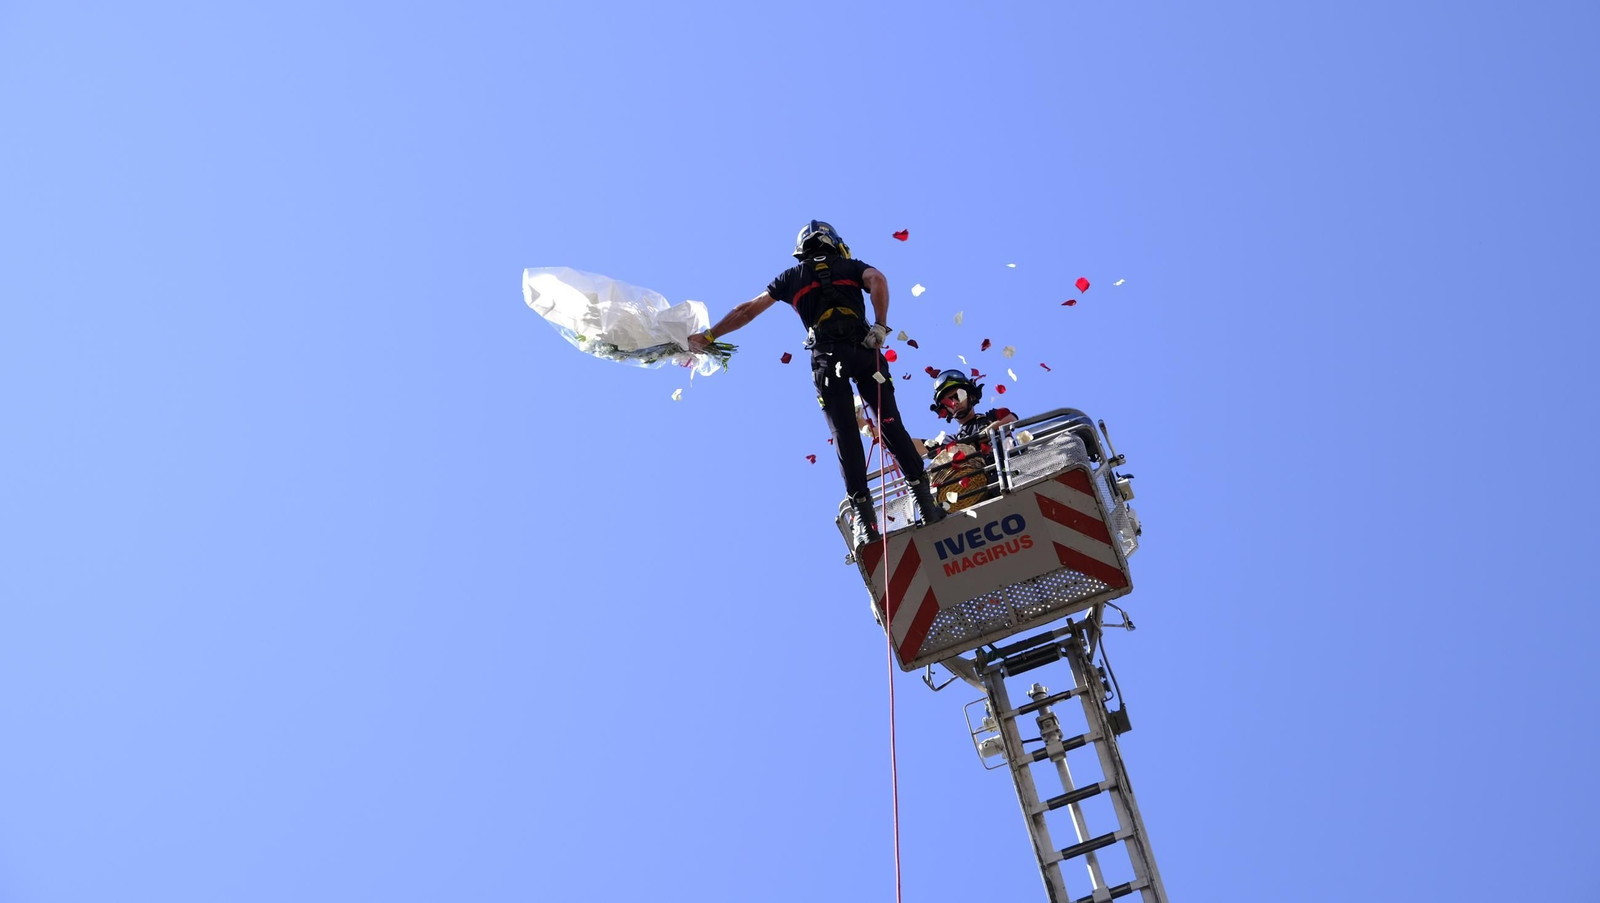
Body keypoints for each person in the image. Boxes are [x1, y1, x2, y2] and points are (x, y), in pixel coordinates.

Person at [688, 220, 946, 543]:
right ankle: (926, 502)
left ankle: (866, 524)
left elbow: (747, 311)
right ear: (834, 243)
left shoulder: (791, 277)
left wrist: (710, 335)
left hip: (827, 358)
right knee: (890, 423)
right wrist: (880, 326)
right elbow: (877, 279)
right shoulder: (851, 266)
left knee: (846, 437)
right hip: (865, 350)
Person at [919, 369, 1017, 458]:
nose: (955, 403)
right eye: (948, 401)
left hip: (1009, 472)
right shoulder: (952, 440)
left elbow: (1011, 419)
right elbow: (917, 446)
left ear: (971, 397)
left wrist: (985, 433)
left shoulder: (992, 417)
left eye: (958, 396)